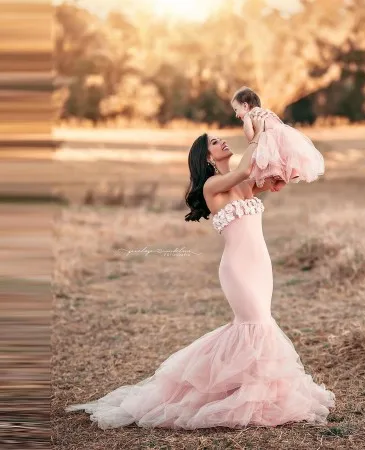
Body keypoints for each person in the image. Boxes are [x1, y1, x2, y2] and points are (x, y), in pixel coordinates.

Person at [65, 115, 335, 430]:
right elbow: (246, 168)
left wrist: (277, 164)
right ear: (207, 157)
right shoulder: (212, 186)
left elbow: (266, 177)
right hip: (237, 269)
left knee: (256, 326)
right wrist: (258, 135)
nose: (221, 142)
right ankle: (241, 396)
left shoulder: (242, 185)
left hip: (261, 265)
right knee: (254, 325)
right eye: (214, 143)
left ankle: (254, 393)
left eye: (220, 138)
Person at [231, 86, 325, 188]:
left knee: (268, 164)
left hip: (268, 140)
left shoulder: (248, 116)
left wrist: (252, 140)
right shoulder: (267, 111)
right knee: (285, 161)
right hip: (283, 135)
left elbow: (250, 138)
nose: (236, 115)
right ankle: (287, 177)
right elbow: (278, 123)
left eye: (236, 110)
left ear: (245, 105)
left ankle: (272, 180)